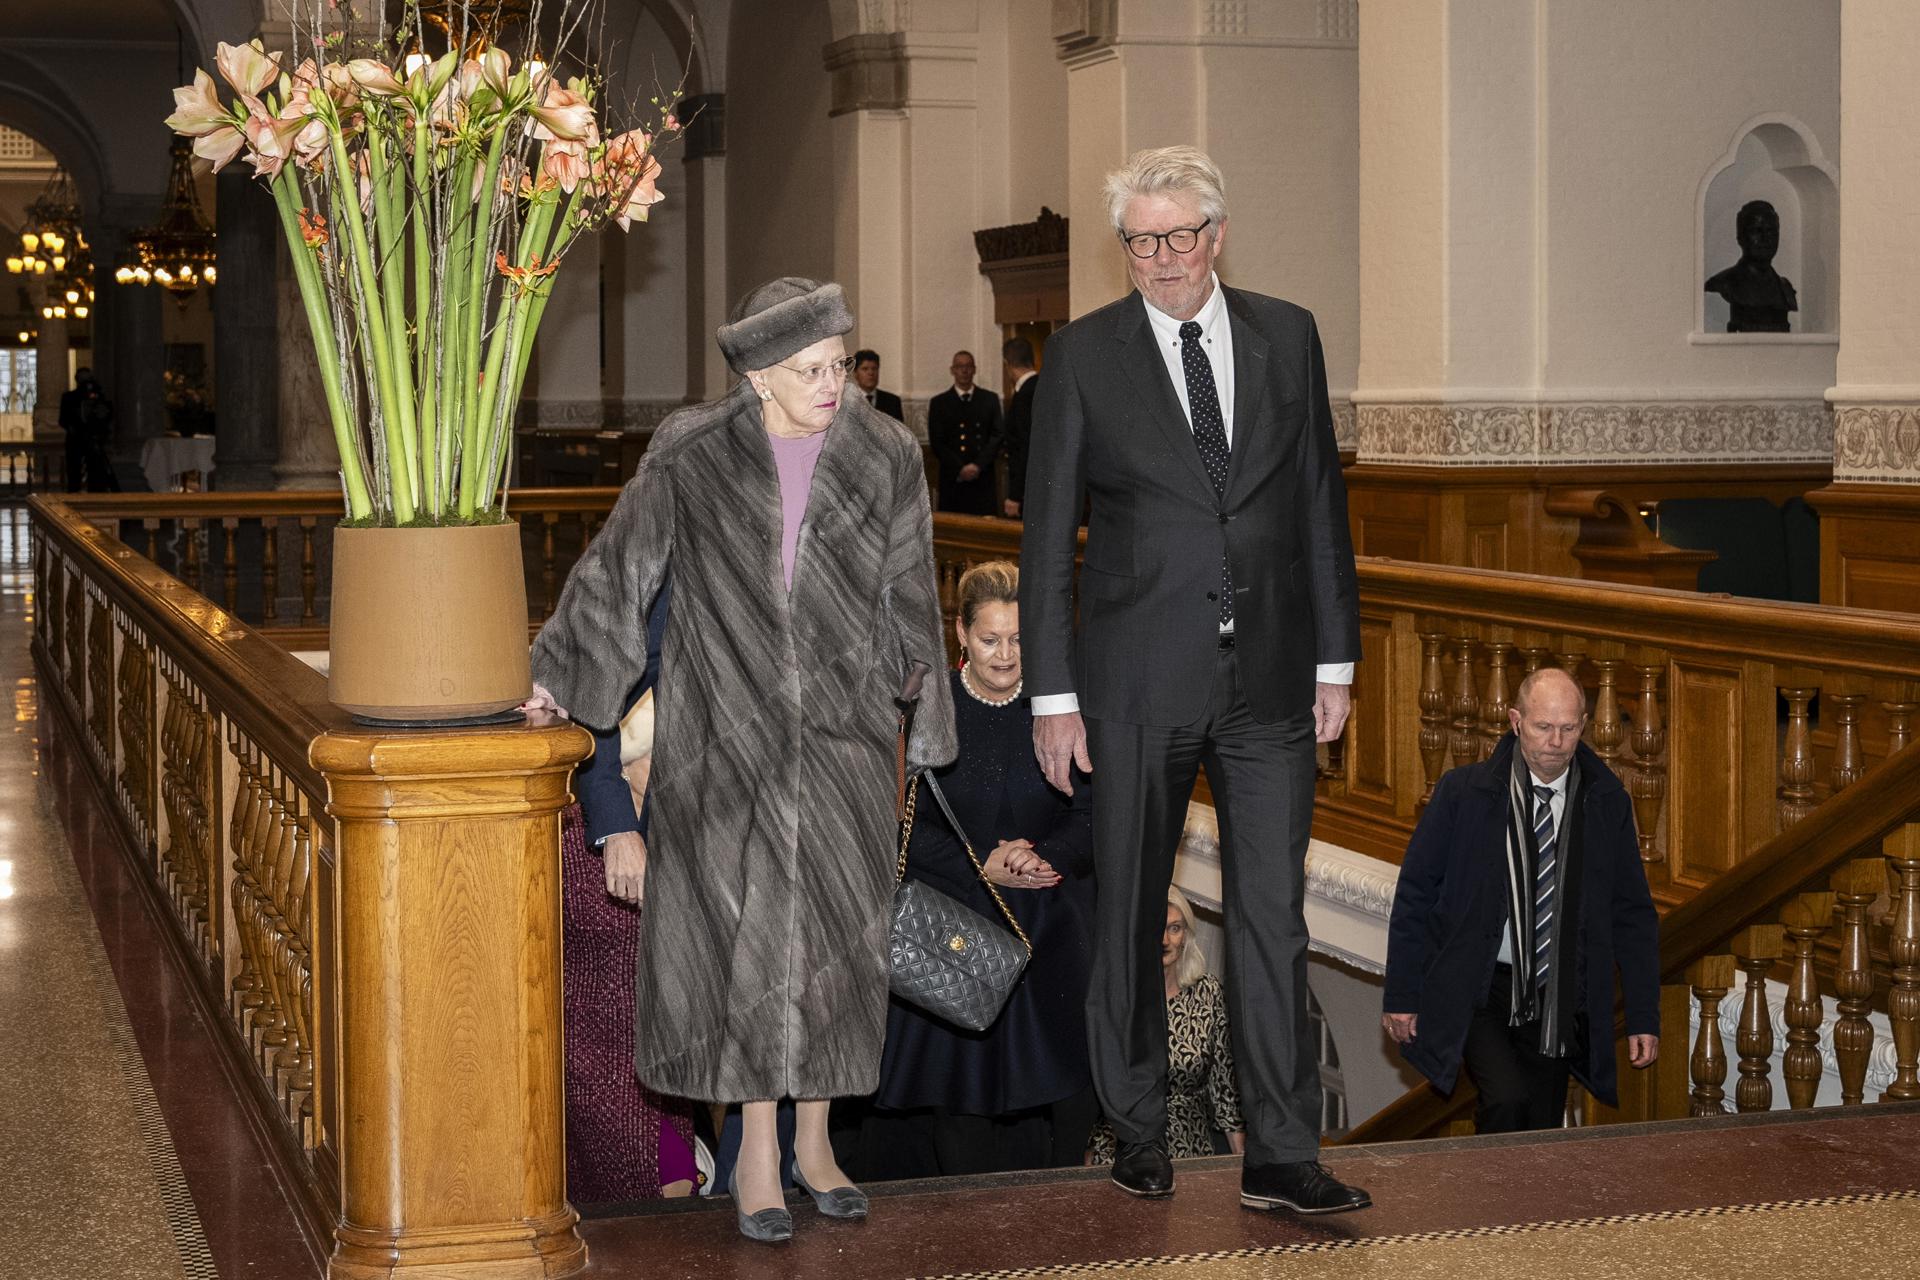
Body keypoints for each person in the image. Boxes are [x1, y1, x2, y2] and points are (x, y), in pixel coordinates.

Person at [531, 276, 957, 1244]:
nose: (832, 384)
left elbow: (911, 593)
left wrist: (924, 719)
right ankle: (757, 1154)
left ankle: (818, 1142)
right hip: (726, 749)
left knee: (835, 956)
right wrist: (561, 674)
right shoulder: (692, 451)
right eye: (810, 369)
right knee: (753, 955)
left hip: (847, 748)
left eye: (840, 364)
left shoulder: (888, 454)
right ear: (759, 374)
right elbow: (618, 570)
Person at [1020, 145, 1367, 1216]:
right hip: (1131, 678)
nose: (1160, 259)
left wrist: (1335, 658)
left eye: (1178, 237)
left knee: (1274, 913)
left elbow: (1318, 499)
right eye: (1139, 241)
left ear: (1216, 235)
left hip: (1269, 678)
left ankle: (1280, 1151)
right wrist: (1052, 695)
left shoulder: (1288, 333)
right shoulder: (1082, 356)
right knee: (1126, 910)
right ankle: (1133, 1131)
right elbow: (1046, 539)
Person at [849, 560, 1096, 1180]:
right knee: (962, 1099)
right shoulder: (928, 709)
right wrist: (981, 866)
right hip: (956, 924)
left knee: (1070, 1089)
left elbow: (1096, 811)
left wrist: (1046, 858)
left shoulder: (1060, 704)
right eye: (990, 639)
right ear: (960, 632)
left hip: (1053, 920)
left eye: (1017, 639)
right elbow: (903, 824)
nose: (1006, 654)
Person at [1381, 667, 1661, 1134]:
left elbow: (1632, 914)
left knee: (1541, 1119)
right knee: (1505, 1098)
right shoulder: (1464, 793)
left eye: (1568, 728)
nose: (1556, 741)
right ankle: (1488, 1203)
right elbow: (1415, 895)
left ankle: (1524, 1208)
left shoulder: (1606, 801)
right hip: (1480, 985)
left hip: (1557, 993)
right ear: (1515, 721)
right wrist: (1402, 994)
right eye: (1542, 727)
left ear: (1583, 726)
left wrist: (1643, 1016)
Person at [562, 580, 703, 1205]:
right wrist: (619, 824)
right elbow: (594, 700)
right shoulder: (648, 590)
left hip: (699, 849)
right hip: (604, 853)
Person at [1089, 887, 1243, 1163]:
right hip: (1123, 1144)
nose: (1165, 940)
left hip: (1191, 1145)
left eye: (1175, 928)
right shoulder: (1117, 995)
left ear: (1186, 936)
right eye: (1157, 928)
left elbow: (1225, 1088)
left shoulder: (1208, 993)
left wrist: (1239, 1162)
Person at [927, 350, 1003, 515]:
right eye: (960, 366)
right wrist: (960, 468)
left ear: (974, 369)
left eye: (968, 366)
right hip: (953, 479)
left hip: (983, 478)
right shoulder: (939, 403)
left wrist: (977, 466)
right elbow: (937, 442)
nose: (964, 370)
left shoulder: (989, 399)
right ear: (952, 370)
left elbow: (997, 436)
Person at [1705, 199, 1798, 333]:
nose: (1765, 238)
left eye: (1771, 231)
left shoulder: (1785, 289)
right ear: (1740, 237)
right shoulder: (1725, 283)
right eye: (1756, 231)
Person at [57, 367, 117, 493]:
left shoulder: (99, 397)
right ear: (77, 380)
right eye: (82, 379)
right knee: (74, 474)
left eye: (88, 379)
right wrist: (72, 428)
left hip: (93, 441)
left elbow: (106, 415)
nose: (85, 382)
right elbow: (62, 420)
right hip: (75, 441)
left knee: (96, 473)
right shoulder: (68, 397)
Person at [999, 338, 1039, 519]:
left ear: (1008, 364)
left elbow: (1026, 446)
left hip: (1027, 488)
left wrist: (1015, 495)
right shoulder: (1043, 386)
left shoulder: (1024, 396)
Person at [849, 349, 904, 421]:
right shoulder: (847, 401)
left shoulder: (893, 402)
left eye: (874, 368)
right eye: (865, 369)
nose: (871, 373)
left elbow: (899, 431)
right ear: (855, 373)